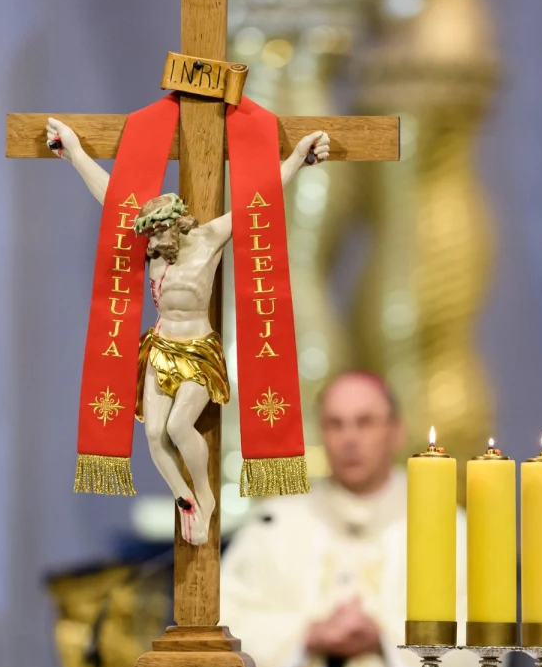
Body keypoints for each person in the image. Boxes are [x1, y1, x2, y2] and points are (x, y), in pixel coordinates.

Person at [44, 117, 330, 543]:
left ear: (177, 222)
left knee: (179, 427)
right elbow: (111, 196)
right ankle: (184, 498)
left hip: (197, 349)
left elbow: (258, 200)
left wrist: (295, 160)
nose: (154, 238)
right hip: (160, 347)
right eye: (149, 231)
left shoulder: (209, 237)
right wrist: (75, 153)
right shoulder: (152, 249)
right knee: (155, 433)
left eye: (160, 229)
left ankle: (205, 495)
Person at [220, 370, 476, 667]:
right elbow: (227, 624)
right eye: (335, 424)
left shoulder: (448, 527)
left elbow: (474, 635)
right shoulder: (275, 523)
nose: (349, 438)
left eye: (365, 422)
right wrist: (307, 635)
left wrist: (383, 636)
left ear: (396, 431)